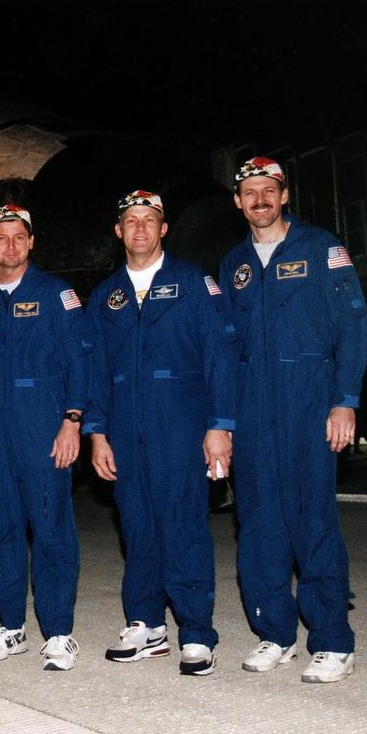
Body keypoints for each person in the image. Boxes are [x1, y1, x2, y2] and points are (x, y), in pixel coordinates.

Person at [219, 157, 367, 683]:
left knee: (313, 521)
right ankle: (275, 634)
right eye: (249, 192)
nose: (260, 199)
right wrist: (223, 424)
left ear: (284, 196)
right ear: (238, 202)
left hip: (308, 401)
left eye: (269, 190)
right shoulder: (232, 266)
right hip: (252, 408)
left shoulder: (321, 248)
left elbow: (353, 326)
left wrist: (344, 399)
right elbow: (224, 350)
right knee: (258, 523)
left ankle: (331, 642)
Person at [83, 190, 237, 677]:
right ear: (118, 231)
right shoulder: (106, 296)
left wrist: (220, 427)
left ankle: (196, 633)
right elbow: (95, 372)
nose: (140, 229)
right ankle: (146, 624)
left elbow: (219, 357)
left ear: (164, 228)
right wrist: (97, 434)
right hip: (125, 431)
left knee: (184, 526)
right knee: (138, 527)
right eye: (131, 221)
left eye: (149, 220)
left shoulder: (193, 283)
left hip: (181, 425)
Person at [0, 204, 94, 670]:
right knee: (2, 529)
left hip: (43, 428)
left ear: (31, 242)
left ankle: (59, 633)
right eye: (1, 238)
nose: (10, 246)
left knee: (52, 531)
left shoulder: (57, 295)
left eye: (19, 237)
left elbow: (79, 362)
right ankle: (11, 627)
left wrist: (71, 422)